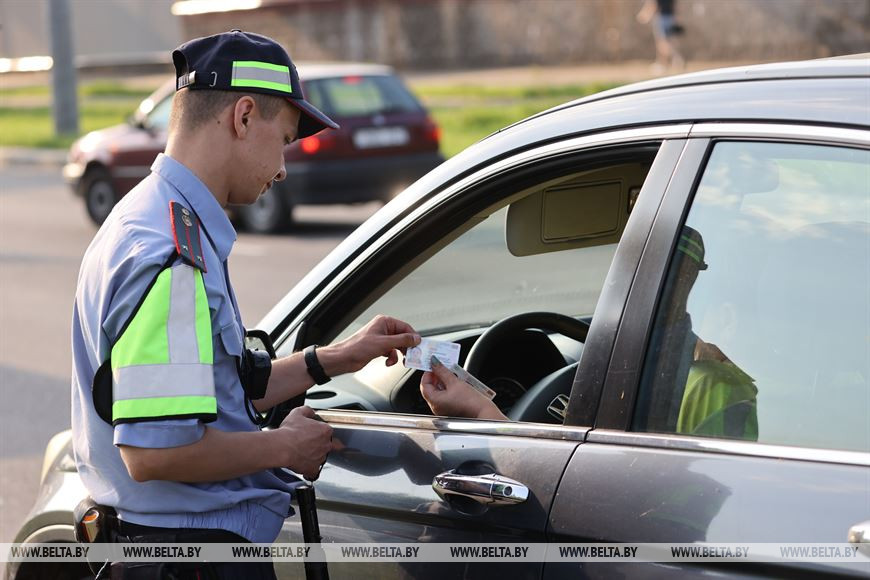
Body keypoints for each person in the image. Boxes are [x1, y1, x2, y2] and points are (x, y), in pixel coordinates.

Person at [71, 30, 420, 579]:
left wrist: (338, 357)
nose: (281, 168)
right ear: (244, 115)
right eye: (283, 140)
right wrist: (284, 447)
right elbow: (156, 452)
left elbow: (216, 390)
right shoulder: (172, 256)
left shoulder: (150, 217)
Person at [422, 226, 758, 441]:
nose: (625, 290)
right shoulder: (651, 359)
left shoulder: (715, 389)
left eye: (654, 276)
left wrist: (482, 413)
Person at [636, 0, 686, 73]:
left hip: (662, 18)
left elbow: (653, 5)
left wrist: (645, 15)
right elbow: (675, 6)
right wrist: (677, 19)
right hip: (671, 18)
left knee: (662, 42)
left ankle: (664, 64)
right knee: (670, 41)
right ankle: (676, 60)